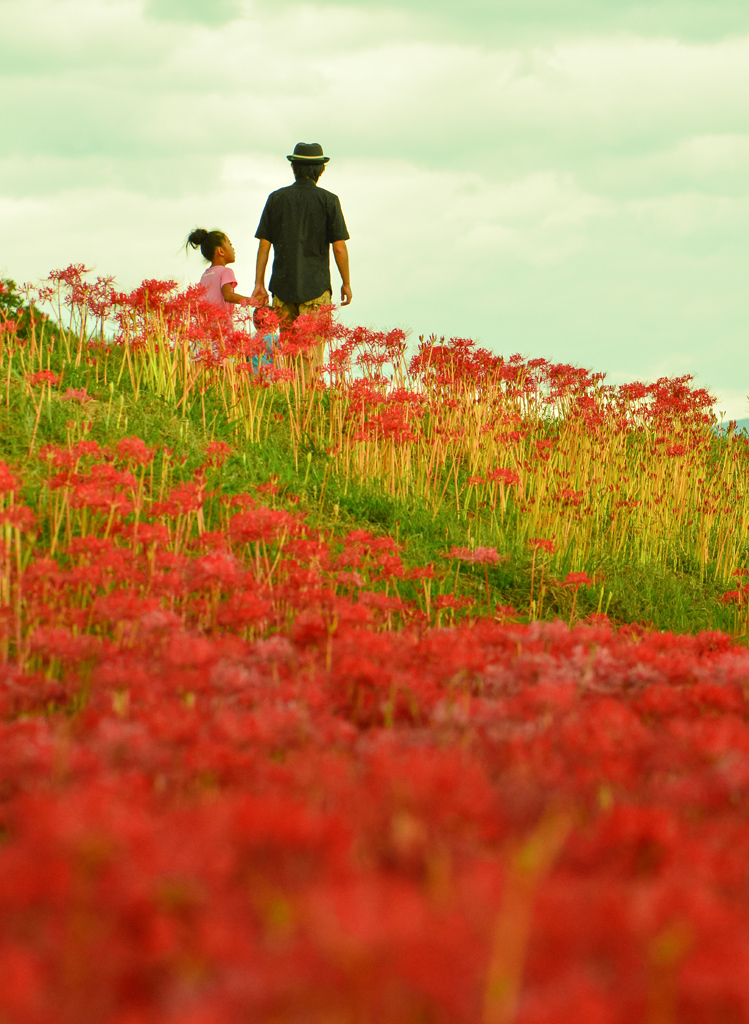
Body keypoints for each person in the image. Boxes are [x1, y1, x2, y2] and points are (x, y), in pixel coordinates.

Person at [251, 142, 351, 383]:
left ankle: (293, 403)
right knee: (312, 357)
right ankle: (308, 408)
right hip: (316, 289)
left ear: (293, 168)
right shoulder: (329, 200)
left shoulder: (276, 199)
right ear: (320, 170)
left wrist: (259, 284)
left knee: (290, 354)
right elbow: (339, 247)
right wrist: (346, 282)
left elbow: (264, 245)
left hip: (283, 290)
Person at [186, 228, 251, 318]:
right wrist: (251, 301)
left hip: (206, 325)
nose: (233, 248)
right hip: (221, 325)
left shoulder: (205, 275)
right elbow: (228, 296)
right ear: (220, 251)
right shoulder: (226, 271)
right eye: (230, 244)